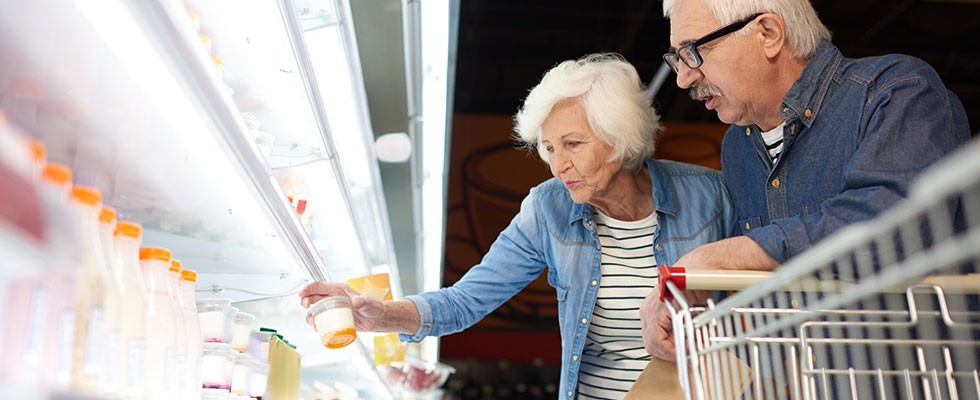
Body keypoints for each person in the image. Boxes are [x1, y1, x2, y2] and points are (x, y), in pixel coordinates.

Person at [299, 53, 738, 399]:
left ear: (620, 138)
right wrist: (379, 315)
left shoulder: (712, 196)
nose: (558, 165)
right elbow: (465, 301)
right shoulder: (547, 209)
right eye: (548, 147)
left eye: (572, 144)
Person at [640, 0, 971, 362]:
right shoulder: (739, 145)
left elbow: (895, 228)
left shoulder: (896, 92)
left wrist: (725, 256)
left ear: (768, 34)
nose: (683, 77)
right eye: (677, 59)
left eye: (693, 52)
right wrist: (697, 309)